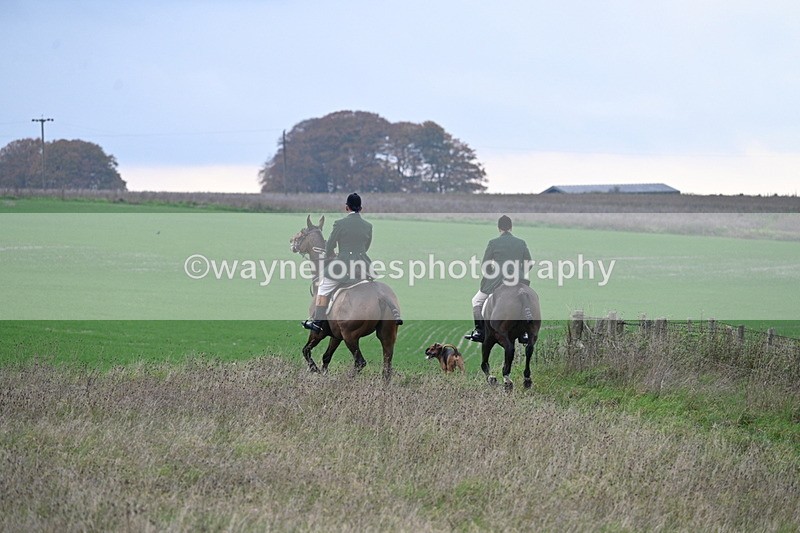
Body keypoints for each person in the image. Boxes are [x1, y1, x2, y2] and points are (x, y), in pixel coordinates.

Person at [302, 192, 372, 333]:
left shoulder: (340, 223)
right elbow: (366, 246)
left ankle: (318, 323)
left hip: (343, 265)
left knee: (323, 287)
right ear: (361, 208)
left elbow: (330, 245)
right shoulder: (368, 225)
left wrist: (329, 255)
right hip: (363, 265)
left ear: (347, 208)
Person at [465, 215, 532, 342]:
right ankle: (525, 333)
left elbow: (486, 264)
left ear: (498, 228)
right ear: (511, 227)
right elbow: (529, 262)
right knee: (525, 302)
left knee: (477, 301)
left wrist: (491, 274)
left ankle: (480, 331)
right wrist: (520, 273)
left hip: (496, 280)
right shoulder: (521, 243)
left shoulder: (493, 243)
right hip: (517, 280)